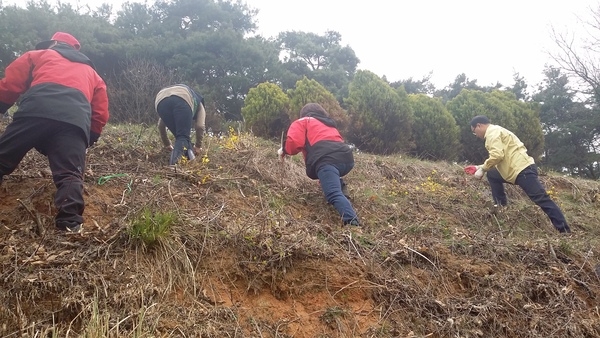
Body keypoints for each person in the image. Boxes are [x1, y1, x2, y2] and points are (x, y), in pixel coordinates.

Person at [0, 32, 109, 233]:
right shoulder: (93, 74)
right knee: (70, 174)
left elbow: (12, 82)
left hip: (35, 111)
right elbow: (100, 111)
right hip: (74, 121)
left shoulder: (39, 55)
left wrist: (3, 103)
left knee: (2, 157)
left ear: (54, 43)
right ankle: (70, 223)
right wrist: (90, 136)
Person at [464, 115, 571, 233]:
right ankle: (501, 207)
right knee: (493, 175)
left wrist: (483, 168)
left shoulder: (492, 133)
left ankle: (564, 230)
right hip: (515, 170)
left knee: (542, 199)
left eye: (474, 132)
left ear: (479, 125)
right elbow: (501, 158)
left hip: (523, 170)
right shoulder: (497, 130)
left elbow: (497, 155)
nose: (476, 135)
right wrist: (479, 167)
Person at [279, 103, 360, 226]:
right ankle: (343, 191)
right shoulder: (328, 124)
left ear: (303, 114)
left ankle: (352, 223)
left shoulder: (303, 121)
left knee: (333, 193)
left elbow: (294, 142)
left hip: (327, 161)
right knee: (330, 176)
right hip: (347, 160)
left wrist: (284, 150)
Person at [155, 84, 206, 165]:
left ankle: (187, 159)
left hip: (160, 100)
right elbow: (200, 126)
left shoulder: (190, 97)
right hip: (182, 97)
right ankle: (174, 166)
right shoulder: (200, 104)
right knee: (183, 137)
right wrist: (198, 146)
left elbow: (161, 125)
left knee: (183, 138)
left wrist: (167, 144)